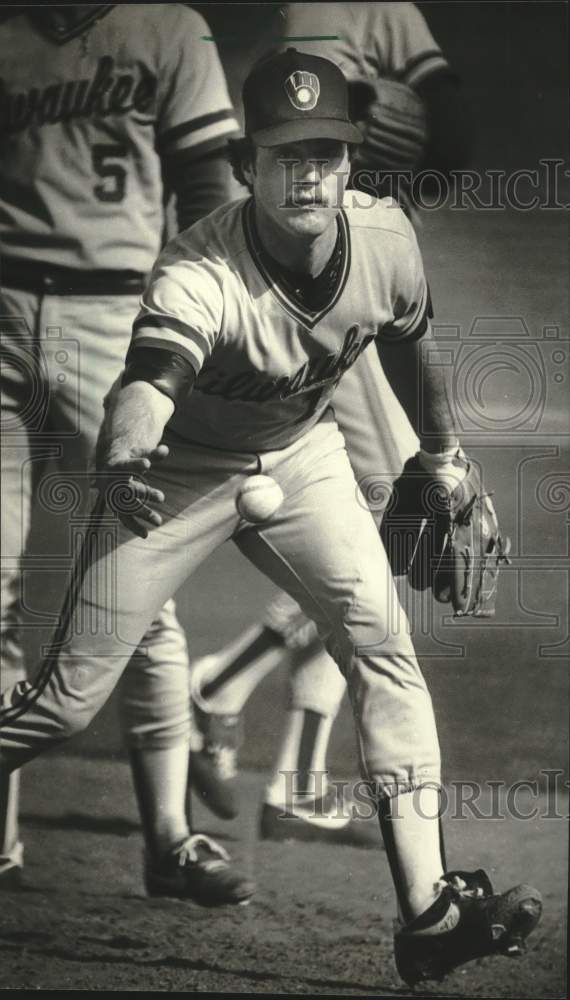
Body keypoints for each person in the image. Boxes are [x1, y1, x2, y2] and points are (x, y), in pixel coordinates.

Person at [0, 48, 542, 986]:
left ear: (349, 160)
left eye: (325, 153)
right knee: (64, 702)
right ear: (249, 164)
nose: (307, 172)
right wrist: (125, 450)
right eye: (285, 154)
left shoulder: (385, 240)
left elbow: (408, 347)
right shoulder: (200, 270)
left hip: (301, 454)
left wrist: (443, 458)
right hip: (172, 474)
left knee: (382, 647)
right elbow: (148, 382)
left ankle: (429, 913)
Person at [188, 0, 473, 839]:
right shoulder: (331, 13)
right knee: (391, 534)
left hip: (352, 288)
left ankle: (282, 763)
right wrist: (393, 144)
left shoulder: (377, 10)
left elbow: (443, 130)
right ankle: (232, 696)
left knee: (376, 542)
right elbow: (447, 135)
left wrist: (410, 145)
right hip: (321, 302)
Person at [0, 3, 254, 905]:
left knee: (138, 584)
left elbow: (210, 192)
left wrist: (198, 324)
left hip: (114, 323)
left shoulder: (166, 27)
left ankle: (171, 841)